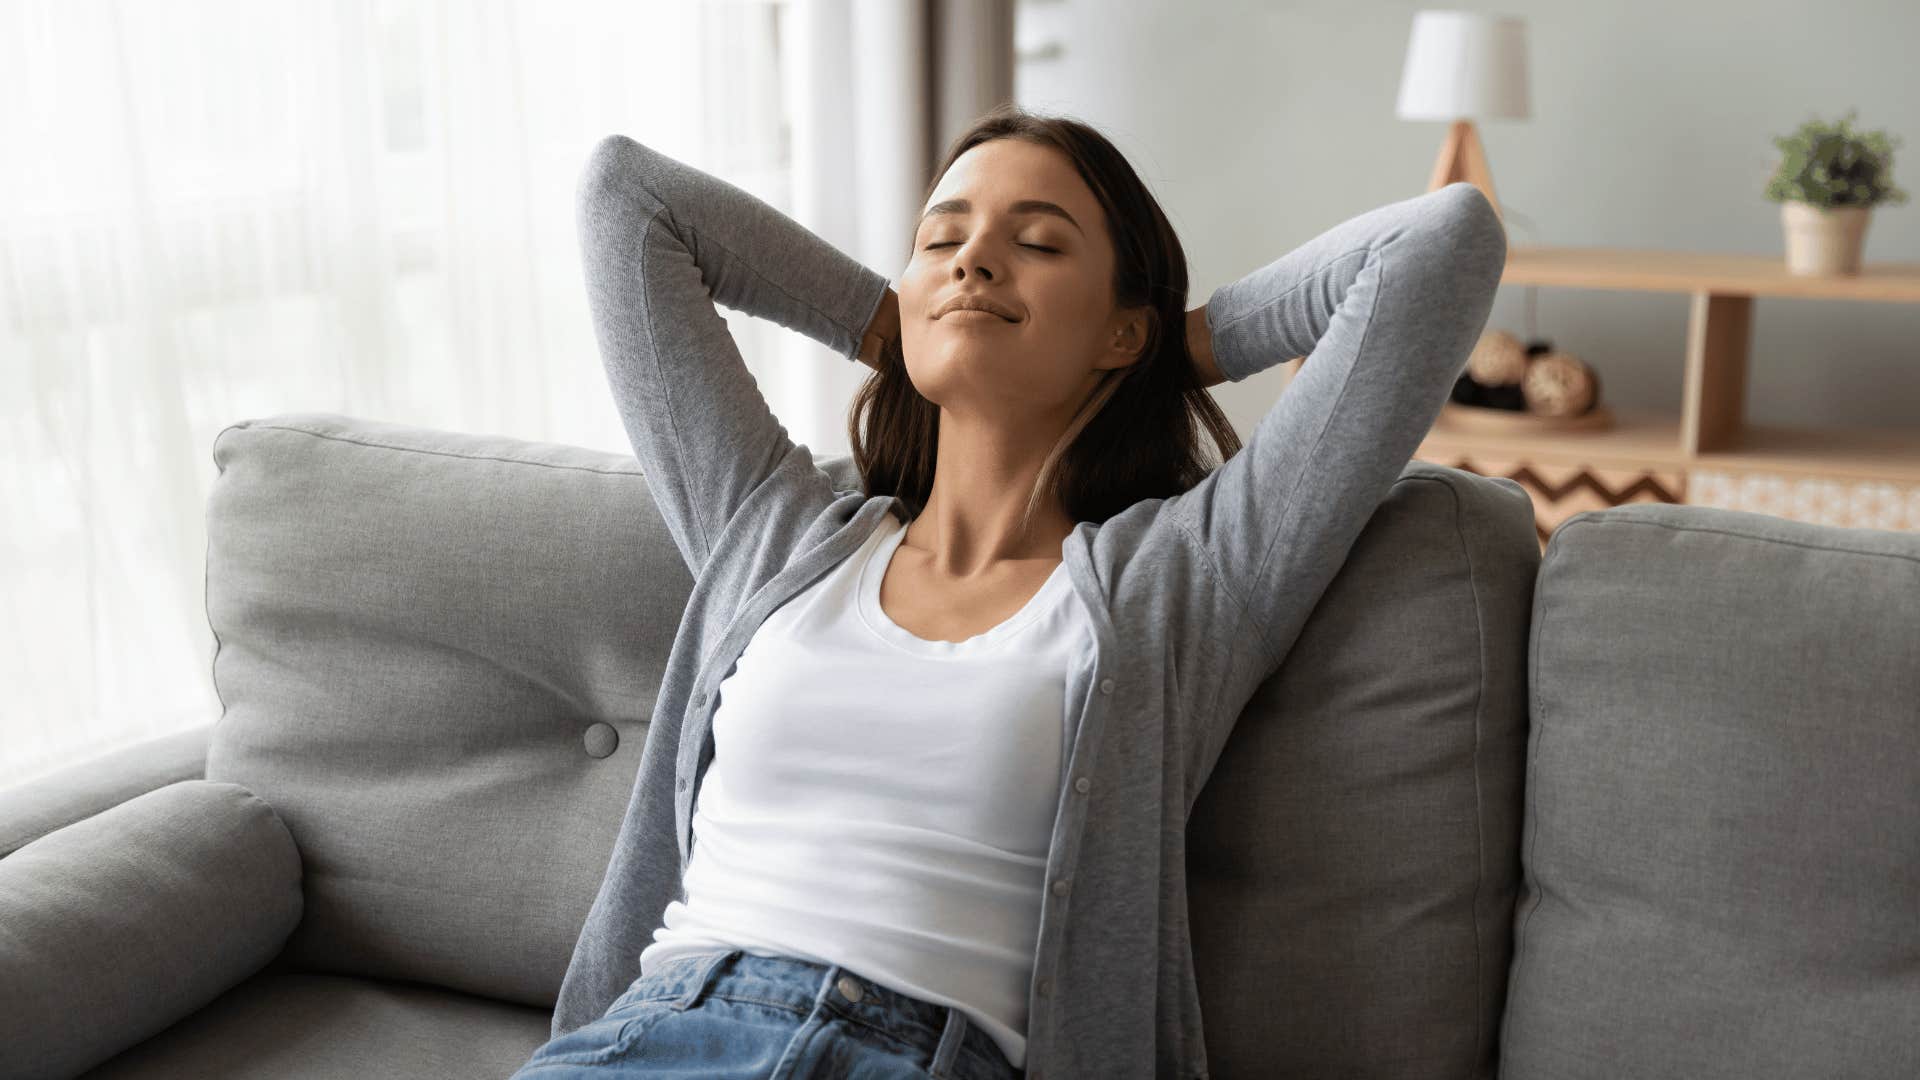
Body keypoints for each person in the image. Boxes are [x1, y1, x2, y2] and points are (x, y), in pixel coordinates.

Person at [514, 103, 1507, 1079]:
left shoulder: (1184, 579)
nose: (973, 259)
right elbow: (627, 199)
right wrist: (890, 323)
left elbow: (1440, 244)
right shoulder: (772, 536)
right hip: (654, 1039)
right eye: (941, 239)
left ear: (1121, 330)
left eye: (1035, 244)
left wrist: (1170, 352)